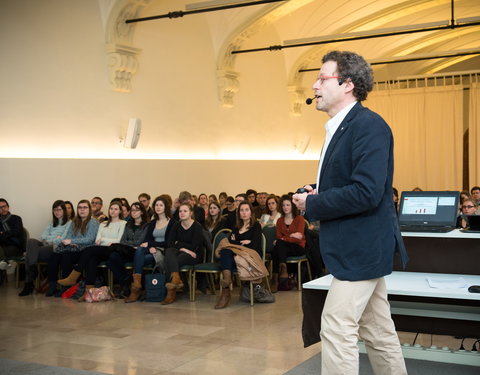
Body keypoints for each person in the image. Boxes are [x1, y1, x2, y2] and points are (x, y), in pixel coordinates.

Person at [292, 50, 408, 374]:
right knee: (378, 330)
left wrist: (313, 204)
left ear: (347, 84)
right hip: (357, 246)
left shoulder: (369, 126)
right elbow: (355, 186)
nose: (314, 85)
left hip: (363, 247)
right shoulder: (341, 127)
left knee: (335, 325)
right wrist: (318, 193)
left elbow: (367, 192)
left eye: (321, 78)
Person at [57, 201, 126, 301]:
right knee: (91, 259)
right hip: (98, 249)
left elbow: (118, 240)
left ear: (120, 211)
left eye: (116, 209)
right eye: (111, 208)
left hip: (112, 249)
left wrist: (103, 240)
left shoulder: (123, 223)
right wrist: (101, 241)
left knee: (89, 250)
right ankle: (88, 292)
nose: (113, 211)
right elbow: (97, 240)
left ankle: (73, 277)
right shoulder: (103, 223)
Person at [124, 195, 175, 303]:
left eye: (161, 205)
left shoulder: (172, 222)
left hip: (163, 250)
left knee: (140, 258)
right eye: (156, 205)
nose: (158, 207)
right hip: (151, 249)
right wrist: (151, 247)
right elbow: (147, 239)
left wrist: (151, 244)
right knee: (139, 250)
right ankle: (137, 285)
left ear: (166, 207)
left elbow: (168, 243)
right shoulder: (152, 222)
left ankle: (136, 289)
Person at [214, 201, 264, 309]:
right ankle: (226, 286)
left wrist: (236, 243)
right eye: (241, 210)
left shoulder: (256, 225)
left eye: (247, 210)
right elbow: (229, 242)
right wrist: (242, 243)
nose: (244, 213)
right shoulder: (236, 227)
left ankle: (226, 290)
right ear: (239, 213)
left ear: (251, 212)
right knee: (226, 250)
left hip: (250, 257)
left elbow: (254, 246)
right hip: (236, 257)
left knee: (227, 251)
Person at [46, 200, 99, 297]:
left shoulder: (93, 222)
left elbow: (90, 239)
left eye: (85, 207)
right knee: (61, 256)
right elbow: (69, 236)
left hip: (86, 250)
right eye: (80, 207)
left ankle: (72, 286)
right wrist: (72, 242)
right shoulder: (74, 221)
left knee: (69, 256)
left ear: (89, 209)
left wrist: (74, 241)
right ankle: (61, 287)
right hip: (74, 249)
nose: (82, 210)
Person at [18, 200, 71, 296]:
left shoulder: (69, 223)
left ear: (64, 210)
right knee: (31, 241)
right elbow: (43, 237)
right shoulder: (52, 223)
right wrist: (54, 238)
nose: (57, 212)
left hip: (55, 248)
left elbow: (62, 239)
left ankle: (28, 283)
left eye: (59, 209)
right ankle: (33, 267)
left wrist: (50, 240)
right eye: (54, 210)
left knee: (29, 254)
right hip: (45, 246)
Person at [162, 203, 204, 305]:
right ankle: (176, 280)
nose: (182, 213)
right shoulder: (176, 225)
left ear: (191, 213)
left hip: (195, 255)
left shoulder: (197, 226)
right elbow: (170, 244)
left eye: (185, 211)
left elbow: (194, 246)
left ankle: (171, 293)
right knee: (169, 252)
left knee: (170, 261)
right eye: (180, 211)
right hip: (182, 252)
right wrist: (184, 248)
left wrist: (180, 245)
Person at [106, 201, 149, 298]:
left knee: (112, 256)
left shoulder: (146, 225)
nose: (134, 212)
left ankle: (125, 285)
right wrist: (131, 244)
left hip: (137, 253)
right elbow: (122, 241)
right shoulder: (128, 224)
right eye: (132, 210)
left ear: (142, 212)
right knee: (111, 258)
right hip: (127, 251)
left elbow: (140, 242)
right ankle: (126, 282)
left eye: (137, 210)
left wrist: (131, 244)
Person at [271, 195, 305, 293]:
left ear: (292, 206)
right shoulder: (279, 220)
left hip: (298, 247)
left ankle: (275, 278)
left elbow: (299, 238)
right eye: (283, 205)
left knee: (278, 246)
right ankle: (283, 269)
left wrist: (284, 238)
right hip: (284, 248)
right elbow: (278, 236)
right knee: (278, 247)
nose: (285, 207)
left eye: (288, 205)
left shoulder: (299, 219)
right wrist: (292, 236)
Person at [0, 198, 24, 267]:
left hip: (14, 246)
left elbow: (17, 232)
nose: (3, 209)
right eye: (0, 207)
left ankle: (3, 269)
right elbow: (12, 232)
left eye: (4, 206)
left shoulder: (16, 218)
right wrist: (8, 234)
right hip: (2, 245)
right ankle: (4, 265)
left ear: (8, 207)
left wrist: (3, 234)